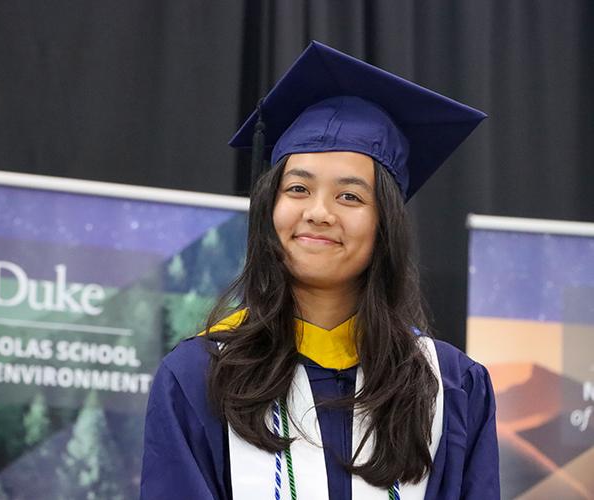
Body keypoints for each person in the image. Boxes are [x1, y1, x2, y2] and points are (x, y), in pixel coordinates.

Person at [141, 41, 499, 500]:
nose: (319, 212)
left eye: (349, 196)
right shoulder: (199, 377)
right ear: (270, 208)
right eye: (297, 189)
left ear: (384, 223)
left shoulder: (450, 386)